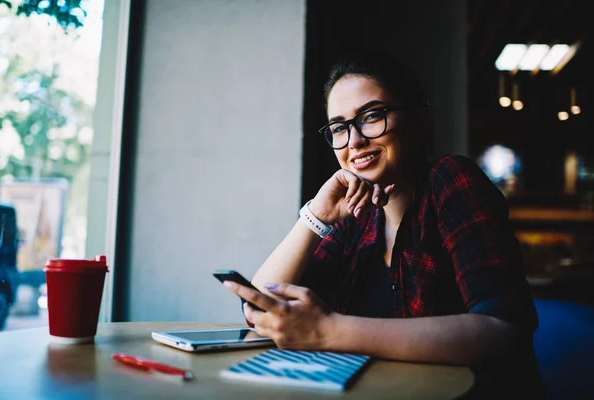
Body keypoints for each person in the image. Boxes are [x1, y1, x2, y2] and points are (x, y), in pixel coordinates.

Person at [223, 51, 544, 398]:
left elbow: (503, 329)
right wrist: (315, 216)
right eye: (339, 128)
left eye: (372, 116)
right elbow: (258, 309)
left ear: (418, 122)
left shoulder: (450, 181)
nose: (355, 141)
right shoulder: (357, 220)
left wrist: (329, 332)